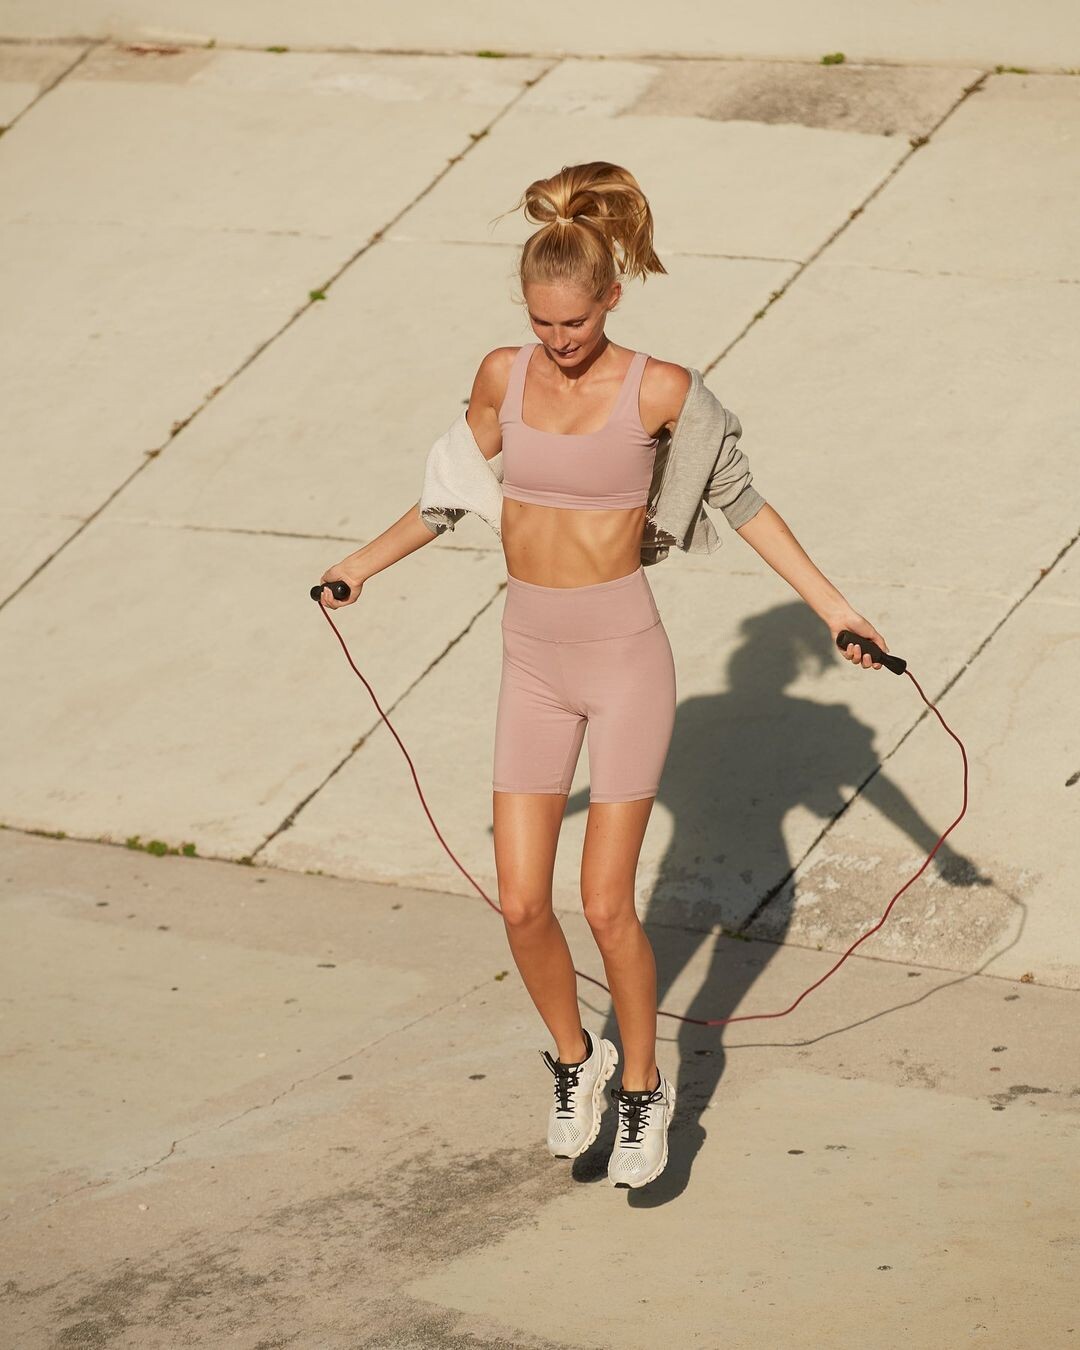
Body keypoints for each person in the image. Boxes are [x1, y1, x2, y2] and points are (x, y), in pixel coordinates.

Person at [317, 161, 889, 1190]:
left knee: (606, 904)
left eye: (573, 323)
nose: (558, 341)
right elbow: (448, 493)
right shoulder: (503, 375)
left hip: (623, 658)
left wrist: (836, 609)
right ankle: (574, 1062)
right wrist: (360, 563)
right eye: (541, 323)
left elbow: (745, 504)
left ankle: (642, 1087)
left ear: (612, 297)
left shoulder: (662, 390)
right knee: (520, 904)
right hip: (530, 658)